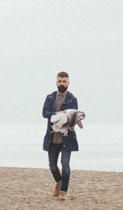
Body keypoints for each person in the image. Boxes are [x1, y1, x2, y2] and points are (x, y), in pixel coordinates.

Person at [42, 71, 78, 200]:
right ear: (56, 82)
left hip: (67, 138)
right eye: (59, 81)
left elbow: (74, 116)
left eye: (64, 81)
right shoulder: (50, 97)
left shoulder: (72, 99)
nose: (62, 83)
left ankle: (63, 192)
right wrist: (56, 114)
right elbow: (44, 113)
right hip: (52, 137)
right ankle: (58, 182)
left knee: (65, 164)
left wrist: (66, 115)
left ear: (68, 83)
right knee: (52, 165)